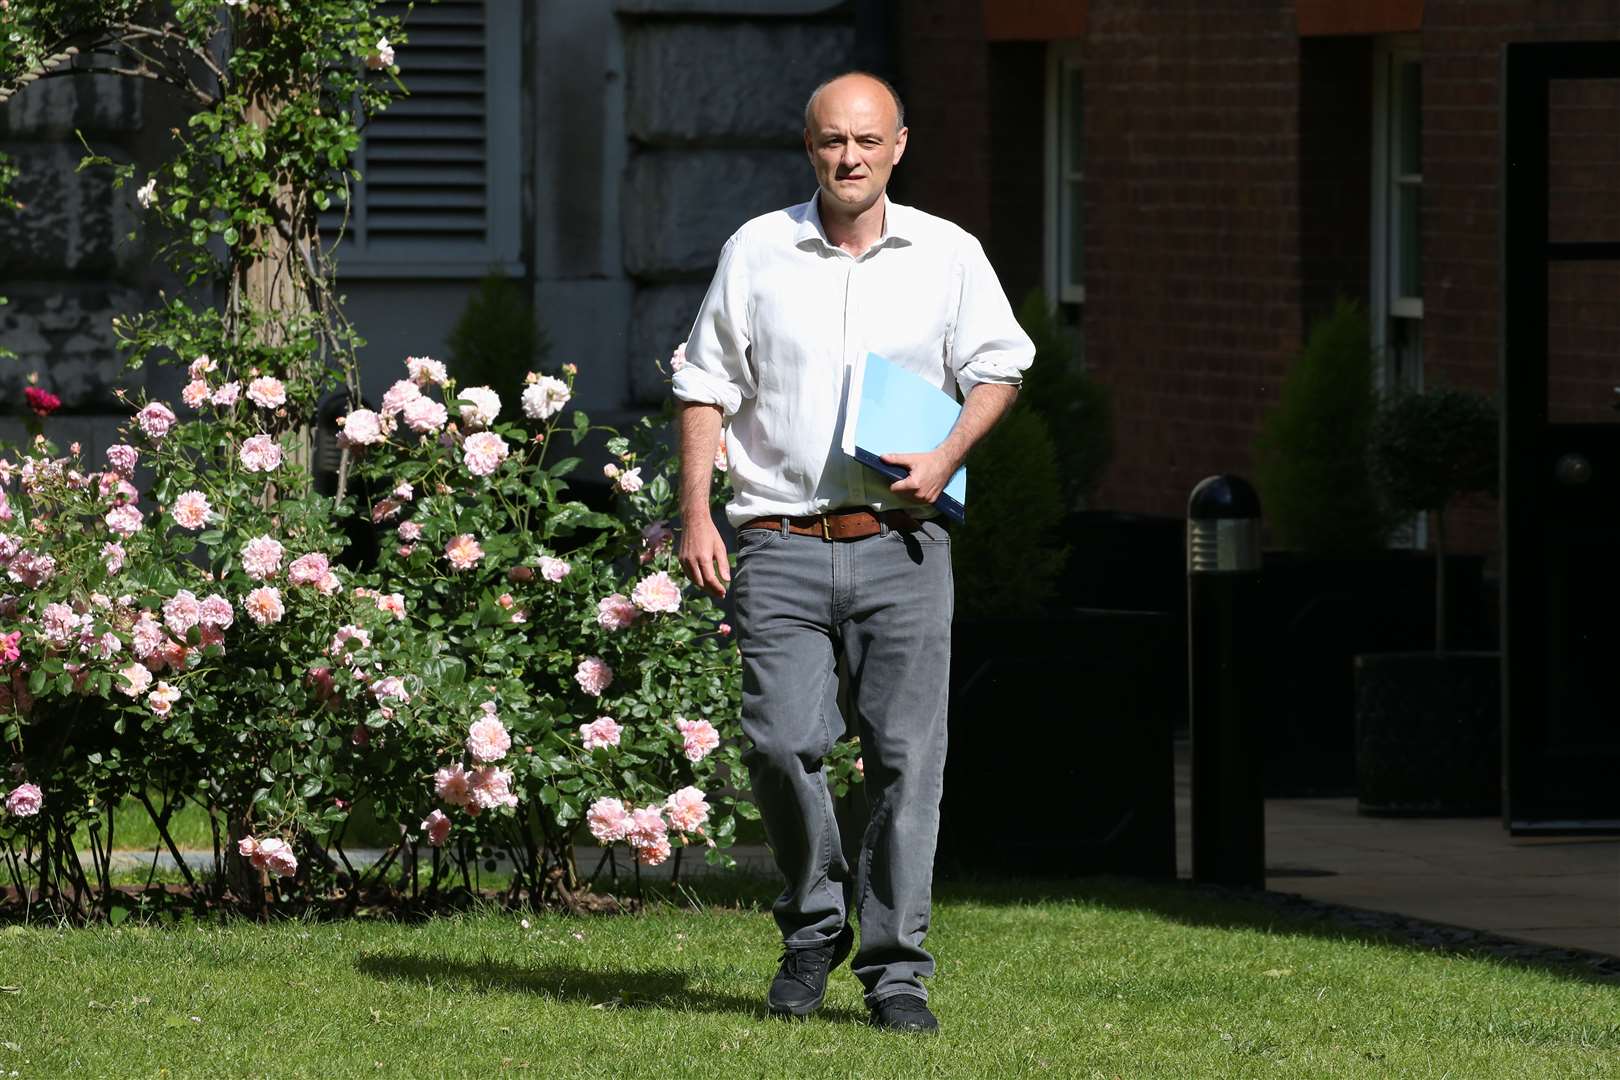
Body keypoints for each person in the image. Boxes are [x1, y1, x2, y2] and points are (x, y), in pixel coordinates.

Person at [672, 71, 1035, 1034]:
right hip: (779, 541)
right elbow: (705, 382)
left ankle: (897, 969)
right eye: (833, 141)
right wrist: (698, 515)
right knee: (784, 743)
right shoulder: (759, 249)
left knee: (908, 761)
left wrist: (947, 453)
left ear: (899, 147)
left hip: (901, 547)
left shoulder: (948, 254)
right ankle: (813, 924)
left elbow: (1001, 362)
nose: (849, 158)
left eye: (867, 142)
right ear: (809, 147)